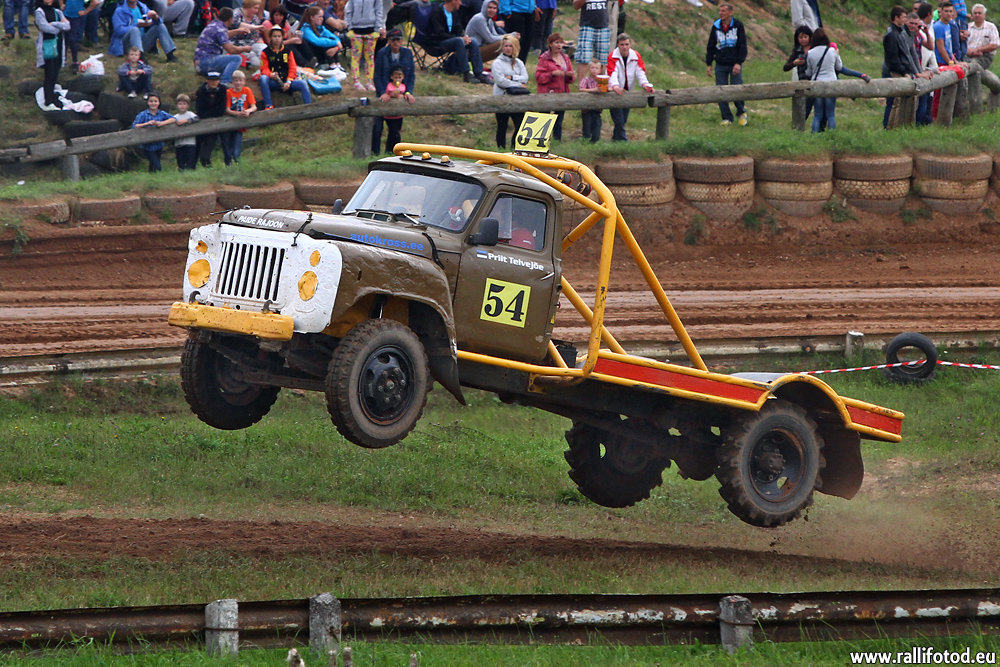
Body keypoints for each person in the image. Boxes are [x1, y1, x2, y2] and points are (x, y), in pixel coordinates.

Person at [805, 27, 871, 132]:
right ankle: (833, 135)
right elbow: (839, 67)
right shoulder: (832, 51)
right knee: (830, 114)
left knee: (817, 114)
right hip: (832, 83)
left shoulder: (810, 53)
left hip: (817, 84)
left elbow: (808, 73)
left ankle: (814, 135)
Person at [882, 6, 928, 129]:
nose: (906, 21)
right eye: (904, 18)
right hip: (894, 70)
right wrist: (907, 71)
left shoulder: (905, 33)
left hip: (901, 69)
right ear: (896, 18)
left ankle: (897, 127)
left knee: (899, 101)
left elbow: (912, 54)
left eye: (916, 24)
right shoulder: (894, 33)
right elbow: (895, 57)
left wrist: (918, 72)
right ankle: (889, 127)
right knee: (893, 101)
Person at [371, 26, 415, 153]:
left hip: (400, 95)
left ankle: (391, 153)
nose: (395, 43)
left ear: (402, 41)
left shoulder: (408, 53)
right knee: (377, 126)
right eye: (393, 40)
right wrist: (383, 92)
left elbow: (411, 75)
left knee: (395, 129)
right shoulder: (382, 53)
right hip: (383, 94)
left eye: (398, 40)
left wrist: (408, 92)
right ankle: (374, 153)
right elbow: (377, 76)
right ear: (389, 41)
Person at [426, 0, 490, 83]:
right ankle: (466, 73)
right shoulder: (437, 11)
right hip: (436, 42)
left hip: (451, 40)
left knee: (473, 41)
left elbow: (458, 29)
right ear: (453, 1)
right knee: (459, 41)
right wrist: (459, 38)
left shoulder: (454, 13)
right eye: (459, 1)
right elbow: (439, 33)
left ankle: (478, 73)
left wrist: (464, 37)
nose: (460, 3)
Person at [706, 3, 747, 126]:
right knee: (721, 91)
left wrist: (738, 63)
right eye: (720, 11)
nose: (721, 13)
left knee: (737, 89)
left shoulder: (738, 25)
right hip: (720, 64)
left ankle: (741, 112)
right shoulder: (716, 26)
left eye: (723, 11)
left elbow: (742, 45)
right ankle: (727, 117)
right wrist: (709, 63)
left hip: (734, 64)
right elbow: (711, 46)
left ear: (730, 12)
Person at [606, 32, 653, 141]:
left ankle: (616, 139)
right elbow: (612, 73)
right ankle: (623, 139)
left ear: (630, 44)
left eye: (627, 44)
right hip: (615, 91)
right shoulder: (613, 56)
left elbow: (640, 72)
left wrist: (645, 84)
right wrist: (615, 86)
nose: (624, 47)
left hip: (628, 91)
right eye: (622, 44)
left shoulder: (635, 56)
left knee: (623, 118)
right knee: (618, 119)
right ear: (618, 45)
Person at [194, 7, 252, 82]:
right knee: (236, 59)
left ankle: (219, 79)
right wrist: (245, 48)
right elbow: (231, 50)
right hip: (205, 63)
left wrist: (237, 31)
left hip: (200, 63)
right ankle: (224, 82)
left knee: (226, 60)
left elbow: (223, 35)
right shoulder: (220, 29)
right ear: (230, 19)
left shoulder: (215, 24)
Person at [259, 26, 312, 109]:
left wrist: (288, 81)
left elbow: (292, 68)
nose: (277, 38)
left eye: (279, 36)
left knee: (303, 84)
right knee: (263, 78)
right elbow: (264, 68)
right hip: (274, 81)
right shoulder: (265, 52)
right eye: (274, 36)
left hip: (286, 81)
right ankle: (268, 105)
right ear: (271, 37)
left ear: (282, 37)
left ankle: (309, 107)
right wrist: (271, 75)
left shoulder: (288, 51)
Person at [535, 32, 574, 141]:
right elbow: (539, 77)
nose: (559, 45)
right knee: (544, 119)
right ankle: (541, 142)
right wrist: (552, 74)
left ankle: (557, 142)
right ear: (550, 44)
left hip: (562, 93)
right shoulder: (544, 58)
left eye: (561, 43)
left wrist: (569, 76)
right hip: (547, 93)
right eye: (556, 42)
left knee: (558, 121)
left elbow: (571, 78)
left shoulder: (565, 58)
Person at [110, 0, 178, 61]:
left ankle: (170, 54)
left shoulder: (143, 7)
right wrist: (137, 25)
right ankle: (140, 57)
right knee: (134, 30)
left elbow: (155, 22)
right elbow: (118, 31)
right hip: (125, 45)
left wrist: (156, 17)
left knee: (160, 26)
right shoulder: (120, 10)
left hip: (142, 42)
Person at [491, 34, 528, 148]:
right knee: (502, 126)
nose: (508, 48)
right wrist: (518, 84)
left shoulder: (519, 63)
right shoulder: (497, 63)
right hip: (501, 97)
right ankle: (500, 149)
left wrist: (512, 78)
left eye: (510, 46)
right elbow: (501, 81)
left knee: (520, 125)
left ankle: (514, 147)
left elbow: (525, 78)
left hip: (517, 99)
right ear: (502, 47)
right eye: (505, 46)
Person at [34, 0, 70, 111]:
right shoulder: (39, 11)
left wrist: (54, 24)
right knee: (49, 74)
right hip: (47, 46)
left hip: (58, 45)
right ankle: (48, 101)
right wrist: (59, 26)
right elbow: (45, 27)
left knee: (55, 72)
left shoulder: (57, 11)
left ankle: (52, 98)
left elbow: (67, 26)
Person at [132, 91, 176, 172]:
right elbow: (135, 126)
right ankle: (157, 174)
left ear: (159, 103)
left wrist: (162, 123)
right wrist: (147, 123)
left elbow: (174, 119)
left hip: (159, 143)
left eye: (155, 101)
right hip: (147, 144)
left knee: (153, 165)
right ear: (148, 102)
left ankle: (152, 177)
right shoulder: (143, 114)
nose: (153, 103)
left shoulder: (161, 113)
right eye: (151, 101)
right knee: (157, 166)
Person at [345, 0, 384, 90]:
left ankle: (369, 82)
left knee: (370, 57)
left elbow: (379, 11)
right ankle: (356, 81)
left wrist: (377, 28)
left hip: (371, 30)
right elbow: (349, 10)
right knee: (355, 57)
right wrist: (350, 26)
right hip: (355, 31)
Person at [222, 69, 256, 165]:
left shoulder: (247, 90)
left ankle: (238, 164)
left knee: (237, 150)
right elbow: (227, 109)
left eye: (240, 80)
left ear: (244, 82)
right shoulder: (228, 92)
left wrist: (248, 111)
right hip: (230, 122)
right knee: (228, 147)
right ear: (232, 82)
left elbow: (254, 106)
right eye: (236, 80)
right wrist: (238, 113)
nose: (238, 83)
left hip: (241, 123)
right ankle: (229, 165)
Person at [195, 70, 228, 167]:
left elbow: (222, 109)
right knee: (198, 144)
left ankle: (209, 163)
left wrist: (212, 114)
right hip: (203, 122)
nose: (214, 82)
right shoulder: (201, 91)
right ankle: (192, 166)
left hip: (218, 122)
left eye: (216, 80)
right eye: (211, 80)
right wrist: (211, 114)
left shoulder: (223, 90)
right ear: (207, 80)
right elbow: (199, 110)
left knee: (212, 144)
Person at [573, 0, 609, 84]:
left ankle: (600, 86)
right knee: (584, 58)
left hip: (603, 25)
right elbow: (576, 5)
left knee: (603, 59)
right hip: (587, 25)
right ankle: (582, 87)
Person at [378, 65, 412, 153]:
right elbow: (388, 95)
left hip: (399, 114)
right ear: (392, 77)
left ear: (403, 77)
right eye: (396, 77)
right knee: (395, 133)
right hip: (390, 114)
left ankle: (389, 150)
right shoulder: (389, 86)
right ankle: (395, 149)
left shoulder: (403, 87)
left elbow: (404, 95)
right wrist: (392, 94)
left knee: (394, 132)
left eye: (399, 78)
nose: (397, 80)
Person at [64, 0, 101, 71]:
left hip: (76, 17)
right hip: (66, 16)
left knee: (72, 39)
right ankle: (63, 60)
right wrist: (62, 4)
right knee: (65, 38)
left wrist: (85, 12)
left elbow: (95, 2)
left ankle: (75, 61)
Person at [232, 0, 268, 67]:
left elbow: (257, 33)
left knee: (264, 48)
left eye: (258, 8)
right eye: (255, 8)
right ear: (248, 6)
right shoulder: (236, 13)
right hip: (238, 44)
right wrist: (255, 27)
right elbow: (237, 25)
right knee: (254, 58)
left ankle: (267, 67)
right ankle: (261, 67)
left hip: (252, 42)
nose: (257, 11)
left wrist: (260, 39)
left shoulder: (254, 17)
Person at [965, 3, 999, 69]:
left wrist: (978, 50)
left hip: (984, 56)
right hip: (968, 55)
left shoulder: (991, 27)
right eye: (975, 13)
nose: (977, 15)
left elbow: (995, 45)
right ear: (972, 15)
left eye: (979, 13)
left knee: (971, 66)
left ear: (984, 15)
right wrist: (969, 52)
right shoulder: (967, 27)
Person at [578, 56, 602, 143]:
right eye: (592, 68)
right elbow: (581, 89)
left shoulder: (601, 81)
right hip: (586, 109)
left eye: (596, 68)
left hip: (597, 109)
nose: (594, 70)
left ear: (600, 70)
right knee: (587, 128)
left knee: (597, 127)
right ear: (589, 69)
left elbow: (606, 88)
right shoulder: (586, 80)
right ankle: (585, 141)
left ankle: (594, 142)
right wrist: (594, 90)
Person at [173, 93, 199, 170]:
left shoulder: (190, 114)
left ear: (188, 105)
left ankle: (190, 173)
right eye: (180, 104)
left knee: (190, 161)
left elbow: (197, 119)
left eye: (184, 104)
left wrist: (185, 121)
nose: (182, 106)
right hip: (179, 143)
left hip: (190, 142)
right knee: (180, 162)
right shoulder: (175, 117)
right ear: (177, 105)